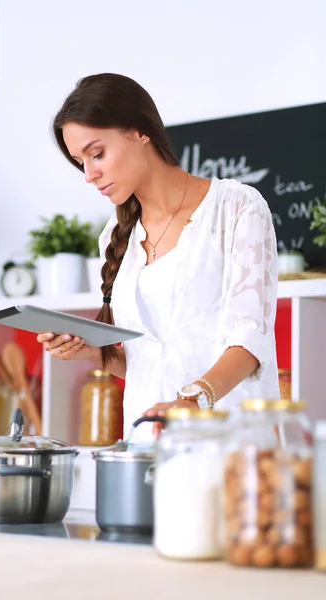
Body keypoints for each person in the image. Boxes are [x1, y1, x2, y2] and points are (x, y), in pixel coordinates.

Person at [37, 73, 280, 442]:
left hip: (231, 446)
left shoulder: (237, 208)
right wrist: (93, 353)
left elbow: (251, 341)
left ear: (139, 131)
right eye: (80, 162)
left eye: (97, 153)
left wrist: (193, 399)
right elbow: (147, 363)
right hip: (145, 446)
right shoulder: (116, 236)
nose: (89, 175)